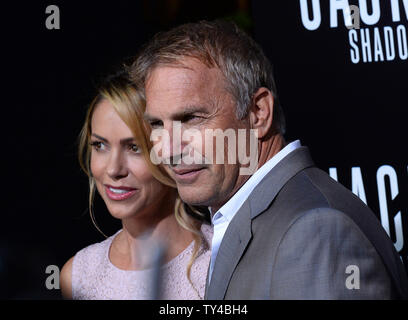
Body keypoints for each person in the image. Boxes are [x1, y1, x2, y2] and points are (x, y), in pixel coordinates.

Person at [130, 20, 408, 299]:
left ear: (258, 113)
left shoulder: (315, 230)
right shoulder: (248, 213)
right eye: (156, 125)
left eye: (190, 118)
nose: (168, 149)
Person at [59, 69, 212, 300]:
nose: (113, 169)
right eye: (100, 146)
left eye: (134, 148)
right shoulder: (79, 275)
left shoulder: (217, 261)